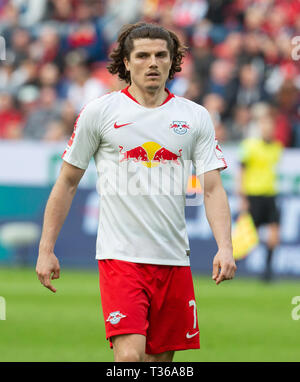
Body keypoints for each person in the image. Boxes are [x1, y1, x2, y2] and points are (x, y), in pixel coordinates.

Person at [36, 22, 237, 362]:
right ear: (126, 63)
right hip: (120, 257)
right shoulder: (100, 113)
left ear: (173, 61)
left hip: (173, 259)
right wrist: (46, 249)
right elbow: (67, 182)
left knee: (159, 363)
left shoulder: (195, 117)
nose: (153, 62)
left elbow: (213, 189)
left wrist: (225, 247)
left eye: (161, 55)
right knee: (129, 358)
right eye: (142, 55)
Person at [239, 104, 282, 281]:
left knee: (273, 234)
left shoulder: (277, 147)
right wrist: (242, 196)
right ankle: (229, 263)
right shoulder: (250, 146)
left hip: (270, 195)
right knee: (247, 236)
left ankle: (267, 272)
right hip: (253, 195)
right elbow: (241, 171)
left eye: (270, 125)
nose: (268, 128)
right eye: (264, 125)